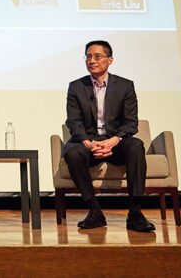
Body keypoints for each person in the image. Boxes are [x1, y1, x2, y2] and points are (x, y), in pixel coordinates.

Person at [63, 40, 155, 232]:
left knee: (136, 145)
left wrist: (112, 142)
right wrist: (89, 144)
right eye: (88, 56)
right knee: (73, 152)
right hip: (89, 143)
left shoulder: (125, 86)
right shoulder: (76, 87)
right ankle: (94, 211)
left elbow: (131, 122)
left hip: (115, 143)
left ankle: (135, 212)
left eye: (97, 56)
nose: (91, 61)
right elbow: (74, 121)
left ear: (110, 60)